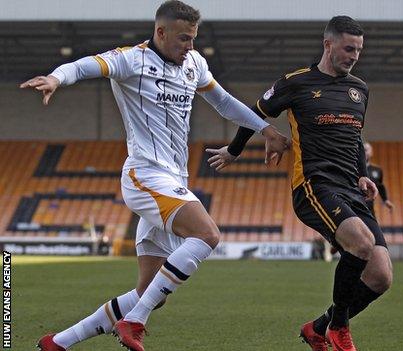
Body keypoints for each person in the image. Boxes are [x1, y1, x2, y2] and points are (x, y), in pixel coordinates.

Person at [23, 2, 289, 351]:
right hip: (145, 174)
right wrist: (57, 77)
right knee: (207, 234)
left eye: (193, 38)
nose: (190, 46)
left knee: (150, 293)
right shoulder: (131, 60)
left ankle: (57, 343)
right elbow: (86, 65)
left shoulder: (194, 64)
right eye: (183, 39)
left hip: (174, 178)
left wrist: (264, 128)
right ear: (160, 32)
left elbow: (223, 102)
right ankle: (134, 321)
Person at [206, 16, 392, 351]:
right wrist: (233, 151)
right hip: (313, 184)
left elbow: (354, 136)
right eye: (349, 48)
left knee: (381, 276)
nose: (354, 56)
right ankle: (338, 329)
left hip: (351, 188)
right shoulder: (296, 82)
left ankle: (317, 328)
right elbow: (256, 111)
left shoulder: (360, 90)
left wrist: (363, 173)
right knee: (362, 246)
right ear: (328, 44)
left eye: (359, 50)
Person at [363, 142, 394, 216]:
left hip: (369, 207)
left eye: (367, 150)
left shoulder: (377, 170)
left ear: (371, 152)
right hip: (353, 206)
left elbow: (380, 186)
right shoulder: (353, 169)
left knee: (373, 227)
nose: (365, 152)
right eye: (363, 150)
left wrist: (385, 200)